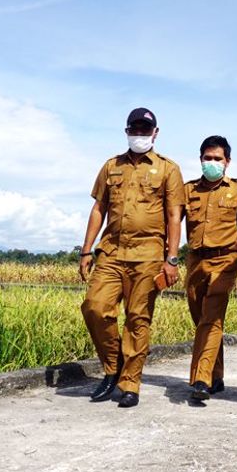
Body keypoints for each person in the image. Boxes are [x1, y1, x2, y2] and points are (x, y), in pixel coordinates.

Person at [78, 107, 185, 408]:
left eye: (145, 129)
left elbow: (175, 215)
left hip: (149, 254)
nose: (140, 134)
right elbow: (98, 209)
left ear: (156, 132)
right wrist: (86, 249)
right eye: (134, 129)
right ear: (127, 132)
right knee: (95, 308)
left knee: (138, 318)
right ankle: (113, 368)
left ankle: (130, 383)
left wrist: (172, 258)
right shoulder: (111, 166)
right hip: (111, 250)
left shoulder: (168, 169)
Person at [182, 135, 237, 401]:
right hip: (195, 260)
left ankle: (200, 379)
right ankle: (216, 375)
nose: (212, 163)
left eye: (217, 159)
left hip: (226, 260)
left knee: (211, 316)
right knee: (202, 320)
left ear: (227, 162)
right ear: (200, 160)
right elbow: (173, 221)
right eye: (208, 158)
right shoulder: (188, 190)